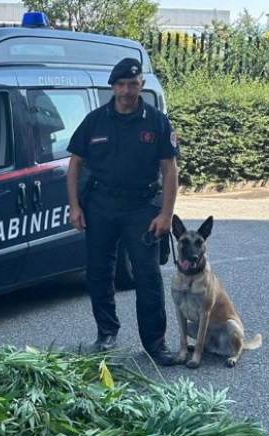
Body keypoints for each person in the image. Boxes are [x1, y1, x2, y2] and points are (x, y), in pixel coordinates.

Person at [66, 57, 180, 366]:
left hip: (142, 207)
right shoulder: (95, 120)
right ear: (113, 87)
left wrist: (166, 214)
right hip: (100, 204)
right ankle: (106, 334)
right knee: (99, 272)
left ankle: (155, 344)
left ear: (141, 84)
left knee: (147, 275)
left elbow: (169, 170)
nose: (127, 90)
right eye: (121, 84)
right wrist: (75, 206)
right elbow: (75, 163)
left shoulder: (156, 121)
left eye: (133, 84)